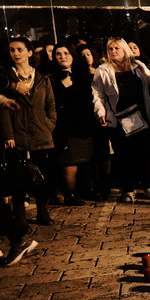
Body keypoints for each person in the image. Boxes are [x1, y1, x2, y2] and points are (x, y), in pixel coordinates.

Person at [92, 37, 150, 203]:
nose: (114, 51)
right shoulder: (103, 70)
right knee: (123, 155)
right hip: (117, 119)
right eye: (111, 49)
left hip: (141, 115)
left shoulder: (138, 66)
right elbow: (97, 93)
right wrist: (100, 111)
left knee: (144, 152)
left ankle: (149, 186)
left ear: (124, 49)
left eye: (117, 48)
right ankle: (127, 189)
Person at [0, 36, 57, 229]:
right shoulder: (7, 79)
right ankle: (20, 217)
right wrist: (8, 134)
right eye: (12, 50)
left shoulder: (41, 78)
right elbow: (3, 108)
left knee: (43, 175)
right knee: (18, 178)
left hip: (41, 133)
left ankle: (43, 212)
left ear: (29, 52)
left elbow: (50, 105)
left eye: (20, 50)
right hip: (18, 133)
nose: (15, 53)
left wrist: (49, 124)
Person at [50, 42, 96, 205]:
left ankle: (83, 191)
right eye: (58, 54)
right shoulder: (52, 78)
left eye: (66, 53)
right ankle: (69, 194)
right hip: (65, 127)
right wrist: (62, 86)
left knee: (84, 159)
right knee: (69, 162)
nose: (62, 57)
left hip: (84, 124)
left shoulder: (82, 74)